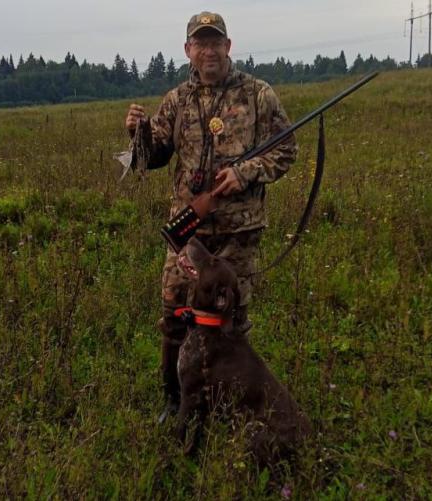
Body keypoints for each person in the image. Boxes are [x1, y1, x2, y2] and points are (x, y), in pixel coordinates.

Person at [124, 11, 298, 422]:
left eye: (215, 42)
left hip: (239, 233)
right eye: (200, 43)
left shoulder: (258, 94)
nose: (209, 51)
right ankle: (174, 400)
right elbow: (152, 157)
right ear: (188, 50)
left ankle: (229, 402)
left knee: (231, 320)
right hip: (189, 232)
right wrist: (139, 133)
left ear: (228, 46)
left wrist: (245, 173)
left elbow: (287, 149)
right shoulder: (176, 100)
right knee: (174, 314)